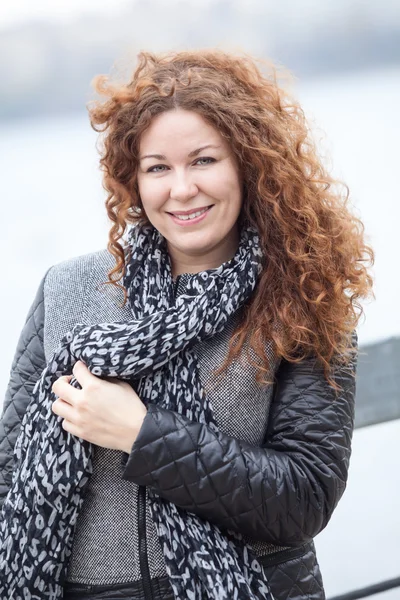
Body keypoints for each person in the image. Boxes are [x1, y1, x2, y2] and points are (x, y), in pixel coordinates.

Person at [0, 49, 374, 600]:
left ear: (250, 164)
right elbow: (10, 474)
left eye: (203, 160)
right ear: (134, 179)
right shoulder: (68, 289)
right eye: (158, 167)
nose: (181, 189)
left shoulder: (302, 299)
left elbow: (304, 498)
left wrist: (141, 433)